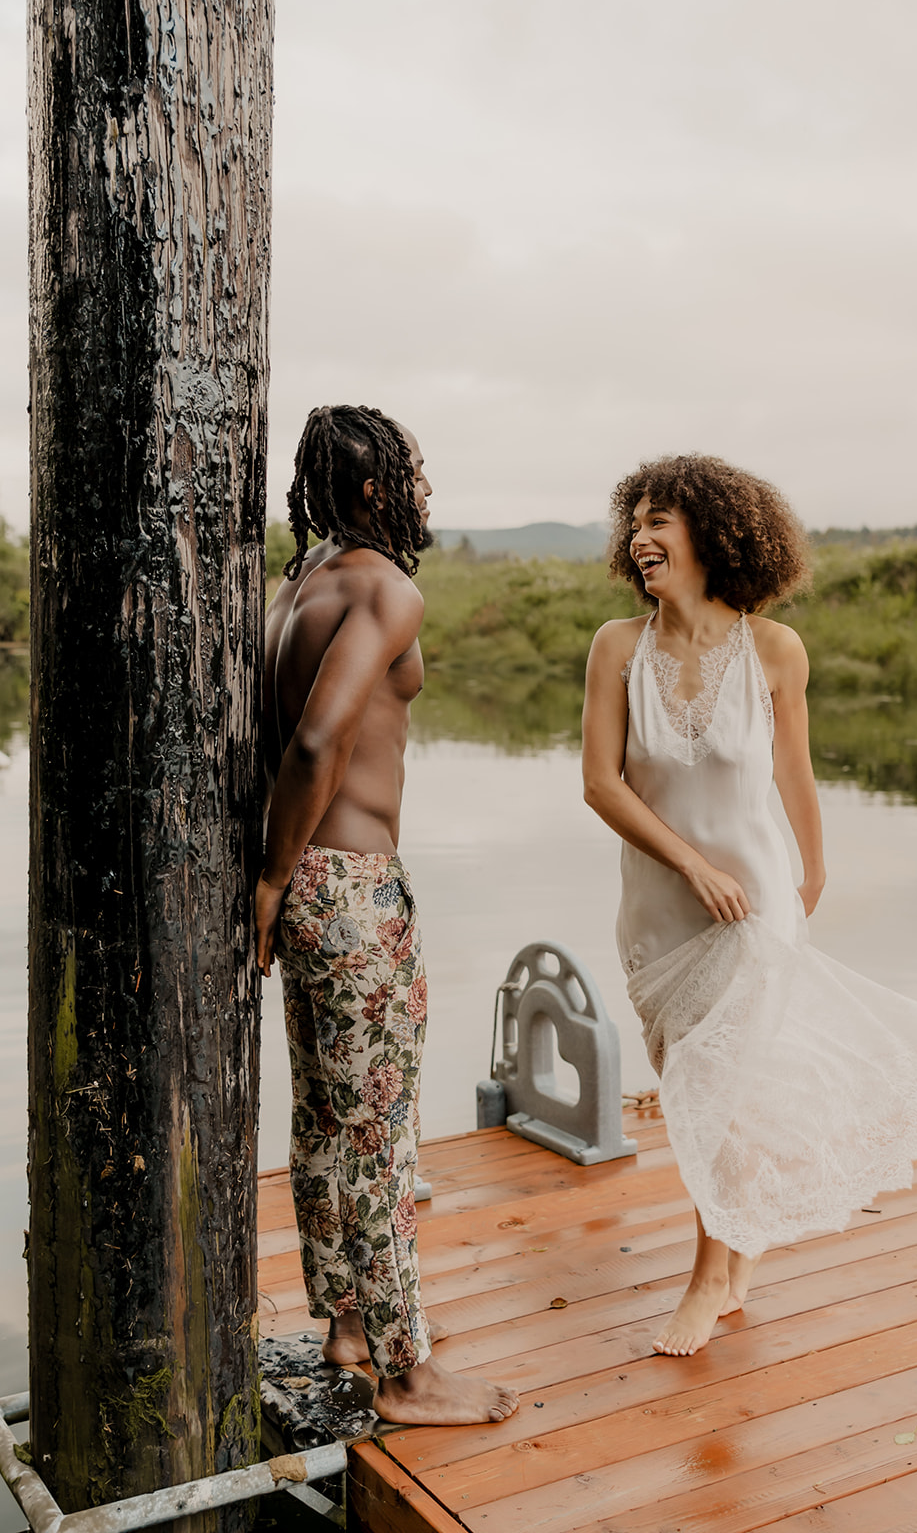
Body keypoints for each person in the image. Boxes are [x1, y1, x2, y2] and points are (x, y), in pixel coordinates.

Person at [582, 453, 917, 1357]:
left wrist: (814, 870)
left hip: (751, 902)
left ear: (713, 534)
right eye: (633, 522)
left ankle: (706, 1277)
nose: (641, 538)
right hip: (659, 909)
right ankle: (737, 1248)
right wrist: (687, 866)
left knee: (720, 1090)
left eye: (660, 521)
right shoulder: (614, 647)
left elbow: (795, 773)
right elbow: (601, 787)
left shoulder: (773, 649)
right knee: (694, 1087)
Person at [256, 404, 518, 1425]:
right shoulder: (381, 587)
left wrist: (279, 880)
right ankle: (409, 1371)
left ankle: (349, 1323)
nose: (420, 490)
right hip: (350, 886)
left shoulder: (298, 585)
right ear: (376, 487)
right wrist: (273, 881)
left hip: (309, 882)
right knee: (380, 1131)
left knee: (326, 1114)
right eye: (410, 474)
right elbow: (318, 743)